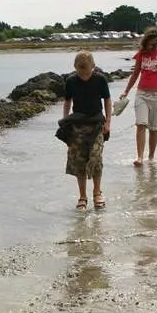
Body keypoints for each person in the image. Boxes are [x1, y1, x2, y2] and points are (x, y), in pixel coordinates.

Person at [58, 51, 112, 210]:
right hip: (77, 124)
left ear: (93, 67)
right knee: (79, 161)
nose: (84, 76)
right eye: (80, 73)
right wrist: (65, 121)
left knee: (96, 158)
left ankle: (97, 193)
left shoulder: (100, 79)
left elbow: (107, 100)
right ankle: (82, 196)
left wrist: (108, 121)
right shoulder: (71, 81)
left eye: (87, 72)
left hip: (97, 124)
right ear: (75, 68)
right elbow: (67, 101)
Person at [120, 27, 157, 166]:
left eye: (156, 43)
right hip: (142, 94)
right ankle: (139, 157)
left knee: (153, 128)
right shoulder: (141, 54)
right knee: (141, 124)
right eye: (151, 44)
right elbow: (135, 74)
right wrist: (126, 91)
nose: (153, 46)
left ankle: (151, 157)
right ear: (146, 42)